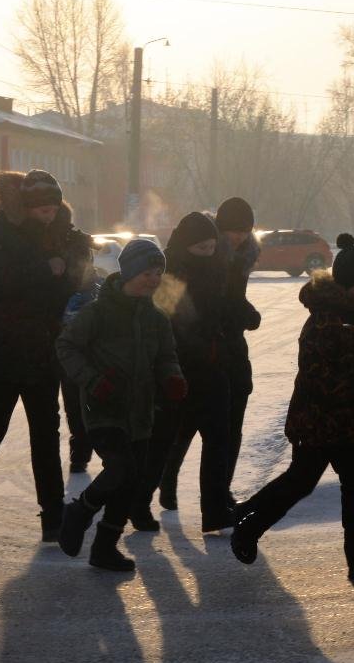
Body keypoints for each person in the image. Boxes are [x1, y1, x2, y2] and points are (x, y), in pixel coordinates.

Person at [230, 234, 354, 581]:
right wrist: (352, 398)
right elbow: (319, 374)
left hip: (346, 420)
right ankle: (247, 524)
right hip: (321, 419)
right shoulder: (328, 319)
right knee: (305, 482)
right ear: (350, 284)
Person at [0, 170, 92, 542]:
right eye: (42, 209)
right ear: (27, 207)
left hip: (44, 349)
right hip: (1, 348)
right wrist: (44, 269)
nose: (48, 215)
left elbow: (74, 284)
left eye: (53, 208)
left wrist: (75, 267)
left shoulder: (63, 234)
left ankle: (52, 513)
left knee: (46, 433)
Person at [56, 239, 186, 572]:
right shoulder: (98, 312)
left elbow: (167, 356)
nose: (154, 278)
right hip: (104, 409)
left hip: (141, 412)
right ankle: (79, 511)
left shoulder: (155, 318)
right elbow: (67, 346)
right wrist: (94, 380)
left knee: (131, 482)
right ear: (129, 272)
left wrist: (171, 377)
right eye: (148, 271)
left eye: (159, 272)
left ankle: (103, 549)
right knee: (120, 470)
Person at [158, 198, 260, 514]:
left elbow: (232, 299)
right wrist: (234, 314)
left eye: (244, 232)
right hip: (201, 350)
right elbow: (177, 309)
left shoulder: (242, 255)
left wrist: (244, 313)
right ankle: (168, 478)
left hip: (229, 345)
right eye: (233, 231)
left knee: (230, 424)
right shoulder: (203, 254)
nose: (239, 237)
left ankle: (221, 494)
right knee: (190, 422)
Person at [151, 212, 233, 534]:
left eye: (212, 246)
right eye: (201, 247)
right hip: (179, 368)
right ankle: (152, 489)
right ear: (186, 246)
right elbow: (166, 318)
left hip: (213, 367)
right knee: (171, 435)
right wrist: (196, 345)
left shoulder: (217, 269)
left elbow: (223, 310)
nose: (208, 252)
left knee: (217, 439)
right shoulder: (171, 273)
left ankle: (213, 511)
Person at [60, 264, 101, 474]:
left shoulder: (101, 291)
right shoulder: (62, 291)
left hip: (94, 360)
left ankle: (103, 453)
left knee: (95, 410)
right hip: (69, 359)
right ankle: (80, 452)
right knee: (75, 410)